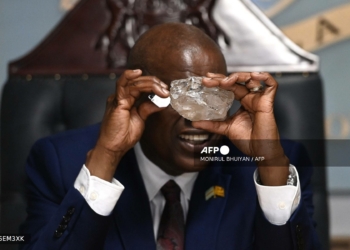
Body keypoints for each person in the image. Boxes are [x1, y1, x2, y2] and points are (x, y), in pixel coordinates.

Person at [20, 23, 320, 249]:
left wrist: (270, 168)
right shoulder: (59, 162)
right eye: (182, 97)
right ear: (141, 99)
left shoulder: (272, 164)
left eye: (211, 97)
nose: (198, 116)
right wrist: (106, 160)